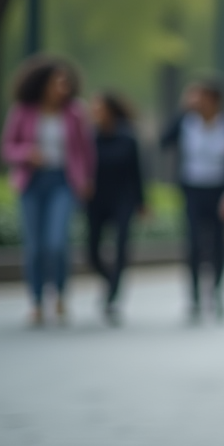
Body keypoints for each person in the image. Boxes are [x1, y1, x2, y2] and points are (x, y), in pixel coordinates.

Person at [0, 57, 95, 327]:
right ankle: (37, 301)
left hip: (63, 181)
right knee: (34, 246)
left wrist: (87, 178)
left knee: (57, 242)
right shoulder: (24, 111)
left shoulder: (75, 112)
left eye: (65, 81)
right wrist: (26, 153)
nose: (62, 87)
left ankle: (61, 295)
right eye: (57, 81)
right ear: (43, 84)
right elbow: (8, 147)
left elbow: (86, 149)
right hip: (32, 182)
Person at [160, 80, 224, 321]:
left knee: (219, 244)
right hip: (193, 189)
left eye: (201, 97)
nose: (197, 102)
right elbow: (163, 141)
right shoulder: (186, 122)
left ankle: (217, 293)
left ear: (215, 100)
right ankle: (194, 296)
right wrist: (182, 111)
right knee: (194, 243)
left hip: (220, 190)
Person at [87, 92, 146, 326]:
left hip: (123, 200)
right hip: (96, 200)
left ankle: (113, 295)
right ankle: (111, 279)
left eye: (99, 108)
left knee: (121, 246)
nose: (95, 113)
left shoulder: (128, 138)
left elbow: (137, 172)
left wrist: (142, 202)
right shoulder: (90, 137)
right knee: (91, 251)